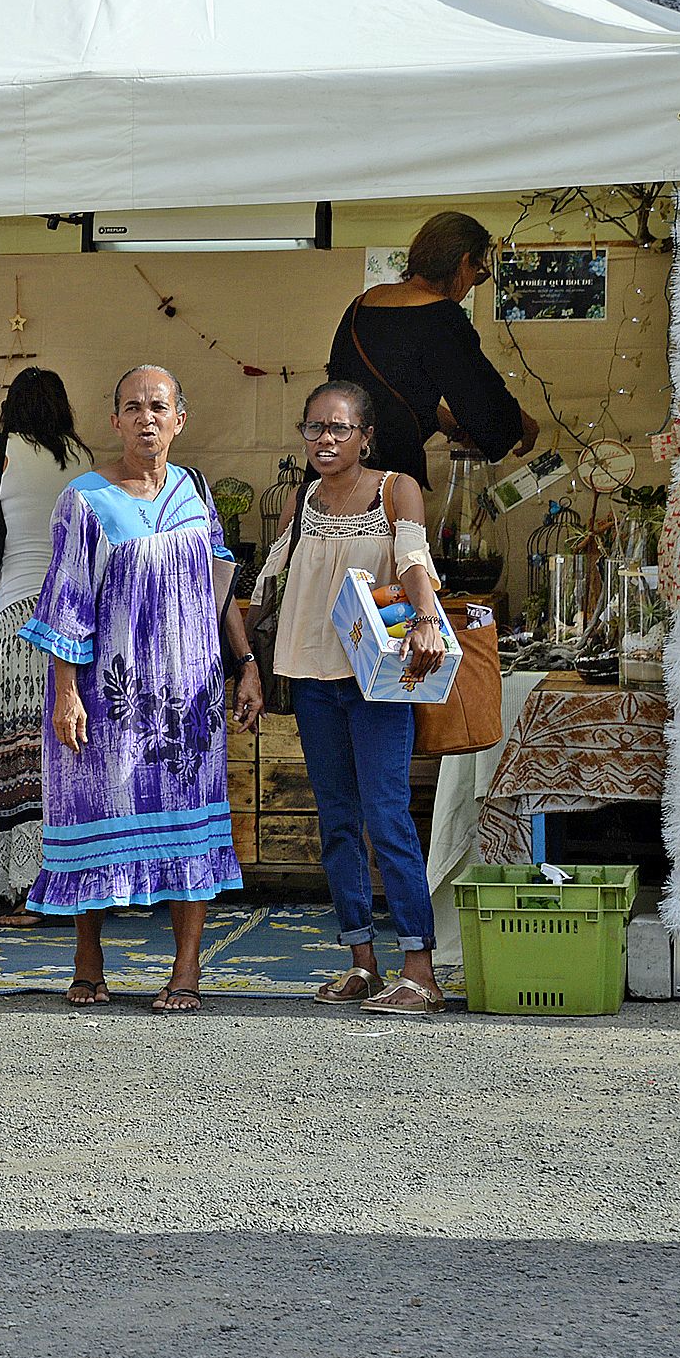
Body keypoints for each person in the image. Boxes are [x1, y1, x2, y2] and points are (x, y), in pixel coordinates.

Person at [20, 365, 259, 1013]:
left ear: (179, 418)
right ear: (115, 421)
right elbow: (66, 600)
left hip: (188, 701)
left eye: (158, 406)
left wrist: (246, 664)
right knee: (94, 812)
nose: (145, 417)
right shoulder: (85, 499)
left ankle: (185, 971)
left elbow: (218, 589)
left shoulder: (194, 491)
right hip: (111, 696)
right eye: (132, 407)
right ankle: (87, 958)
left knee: (191, 831)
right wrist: (64, 692)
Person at [252, 380, 452, 1015]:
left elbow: (415, 559)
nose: (326, 440)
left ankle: (420, 970)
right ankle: (361, 962)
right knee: (336, 820)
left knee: (387, 815)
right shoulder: (301, 498)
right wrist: (240, 652)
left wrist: (424, 617)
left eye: (339, 428)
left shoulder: (396, 488)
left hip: (377, 679)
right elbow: (269, 583)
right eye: (314, 428)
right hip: (312, 678)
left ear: (367, 436)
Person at [0, 365, 88, 925]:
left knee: (21, 746)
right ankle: (78, 881)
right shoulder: (80, 455)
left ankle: (27, 889)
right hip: (77, 611)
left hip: (23, 609)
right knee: (69, 746)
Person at [331, 210, 540, 487]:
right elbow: (480, 396)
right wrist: (522, 424)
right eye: (476, 275)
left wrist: (447, 422)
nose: (468, 287)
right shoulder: (441, 316)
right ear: (465, 262)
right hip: (383, 482)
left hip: (332, 470)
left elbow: (368, 389)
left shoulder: (361, 305)